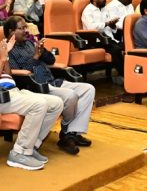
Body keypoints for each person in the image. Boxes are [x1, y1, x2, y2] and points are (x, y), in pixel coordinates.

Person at [7, 16, 95, 155]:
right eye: (21, 28)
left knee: (88, 89)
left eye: (26, 27)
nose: (26, 30)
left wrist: (42, 50)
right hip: (35, 87)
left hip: (52, 81)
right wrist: (35, 57)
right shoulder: (8, 50)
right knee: (70, 96)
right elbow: (16, 75)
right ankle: (67, 131)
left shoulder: (30, 43)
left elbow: (51, 60)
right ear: (11, 31)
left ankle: (71, 133)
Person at [0, 33, 63, 170]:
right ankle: (19, 153)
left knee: (56, 103)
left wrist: (7, 57)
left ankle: (32, 145)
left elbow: (7, 75)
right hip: (2, 97)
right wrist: (2, 58)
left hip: (13, 91)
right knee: (39, 104)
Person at [82, 0, 128, 85]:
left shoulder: (105, 9)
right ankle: (126, 77)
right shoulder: (88, 11)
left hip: (109, 39)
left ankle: (127, 75)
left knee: (128, 48)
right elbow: (91, 28)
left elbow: (111, 29)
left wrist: (113, 25)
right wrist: (106, 23)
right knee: (116, 50)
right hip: (95, 41)